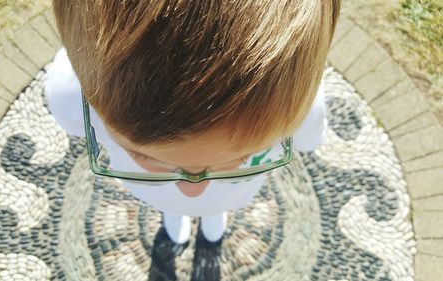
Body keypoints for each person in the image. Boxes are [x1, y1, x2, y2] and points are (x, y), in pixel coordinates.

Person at [45, 0, 341, 244]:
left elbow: (309, 137)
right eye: (144, 155)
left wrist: (144, 161)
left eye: (242, 155)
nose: (192, 188)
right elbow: (310, 141)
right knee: (174, 201)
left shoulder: (300, 108)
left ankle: (212, 213)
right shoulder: (69, 96)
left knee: (209, 202)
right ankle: (173, 212)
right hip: (191, 192)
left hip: (224, 195)